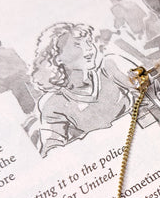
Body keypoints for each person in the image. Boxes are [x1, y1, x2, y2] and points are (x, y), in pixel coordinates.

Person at [31, 23, 132, 156]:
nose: (89, 49)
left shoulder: (110, 67)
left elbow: (149, 90)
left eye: (89, 42)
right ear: (56, 57)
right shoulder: (52, 103)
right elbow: (52, 149)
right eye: (77, 44)